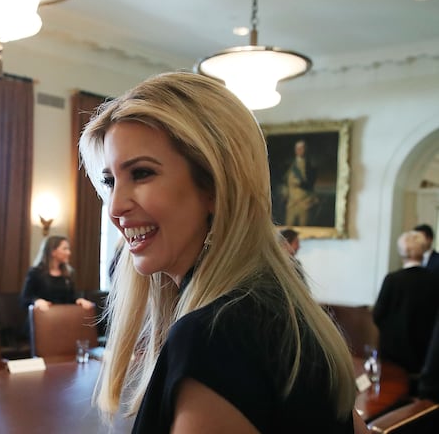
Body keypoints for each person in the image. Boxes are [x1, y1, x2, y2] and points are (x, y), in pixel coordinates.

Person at [79, 72, 365, 433]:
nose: (115, 207)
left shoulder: (216, 333)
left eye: (142, 173)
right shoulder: (283, 308)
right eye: (110, 181)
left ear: (215, 187)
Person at [372, 230, 439, 376]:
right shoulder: (435, 280)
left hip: (393, 353)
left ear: (402, 253)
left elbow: (378, 315)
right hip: (424, 352)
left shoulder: (392, 279)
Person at [20, 235, 94, 311]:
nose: (69, 252)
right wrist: (36, 301)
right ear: (53, 252)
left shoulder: (69, 273)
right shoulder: (35, 272)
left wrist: (79, 300)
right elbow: (24, 299)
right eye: (65, 249)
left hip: (63, 317)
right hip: (42, 317)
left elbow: (72, 296)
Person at [284, 140, 318, 226]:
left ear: (305, 150)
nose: (299, 150)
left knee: (304, 229)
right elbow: (285, 182)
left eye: (301, 148)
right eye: (297, 148)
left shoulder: (311, 165)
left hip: (305, 203)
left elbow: (310, 183)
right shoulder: (290, 164)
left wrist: (299, 183)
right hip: (291, 204)